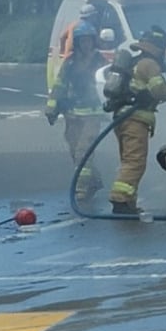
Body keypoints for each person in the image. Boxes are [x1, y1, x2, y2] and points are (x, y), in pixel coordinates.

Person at [107, 26, 166, 214]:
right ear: (159, 47)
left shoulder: (136, 62)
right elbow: (158, 90)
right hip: (135, 119)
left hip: (123, 118)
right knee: (135, 161)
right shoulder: (150, 63)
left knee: (128, 160)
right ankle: (121, 201)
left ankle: (128, 202)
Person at [45, 20, 109, 205]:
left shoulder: (100, 61)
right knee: (75, 151)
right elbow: (59, 85)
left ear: (93, 41)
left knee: (83, 151)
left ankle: (81, 189)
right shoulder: (70, 62)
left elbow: (108, 84)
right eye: (83, 41)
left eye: (89, 40)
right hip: (72, 113)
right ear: (78, 42)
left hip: (92, 114)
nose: (86, 44)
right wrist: (52, 107)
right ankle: (94, 181)